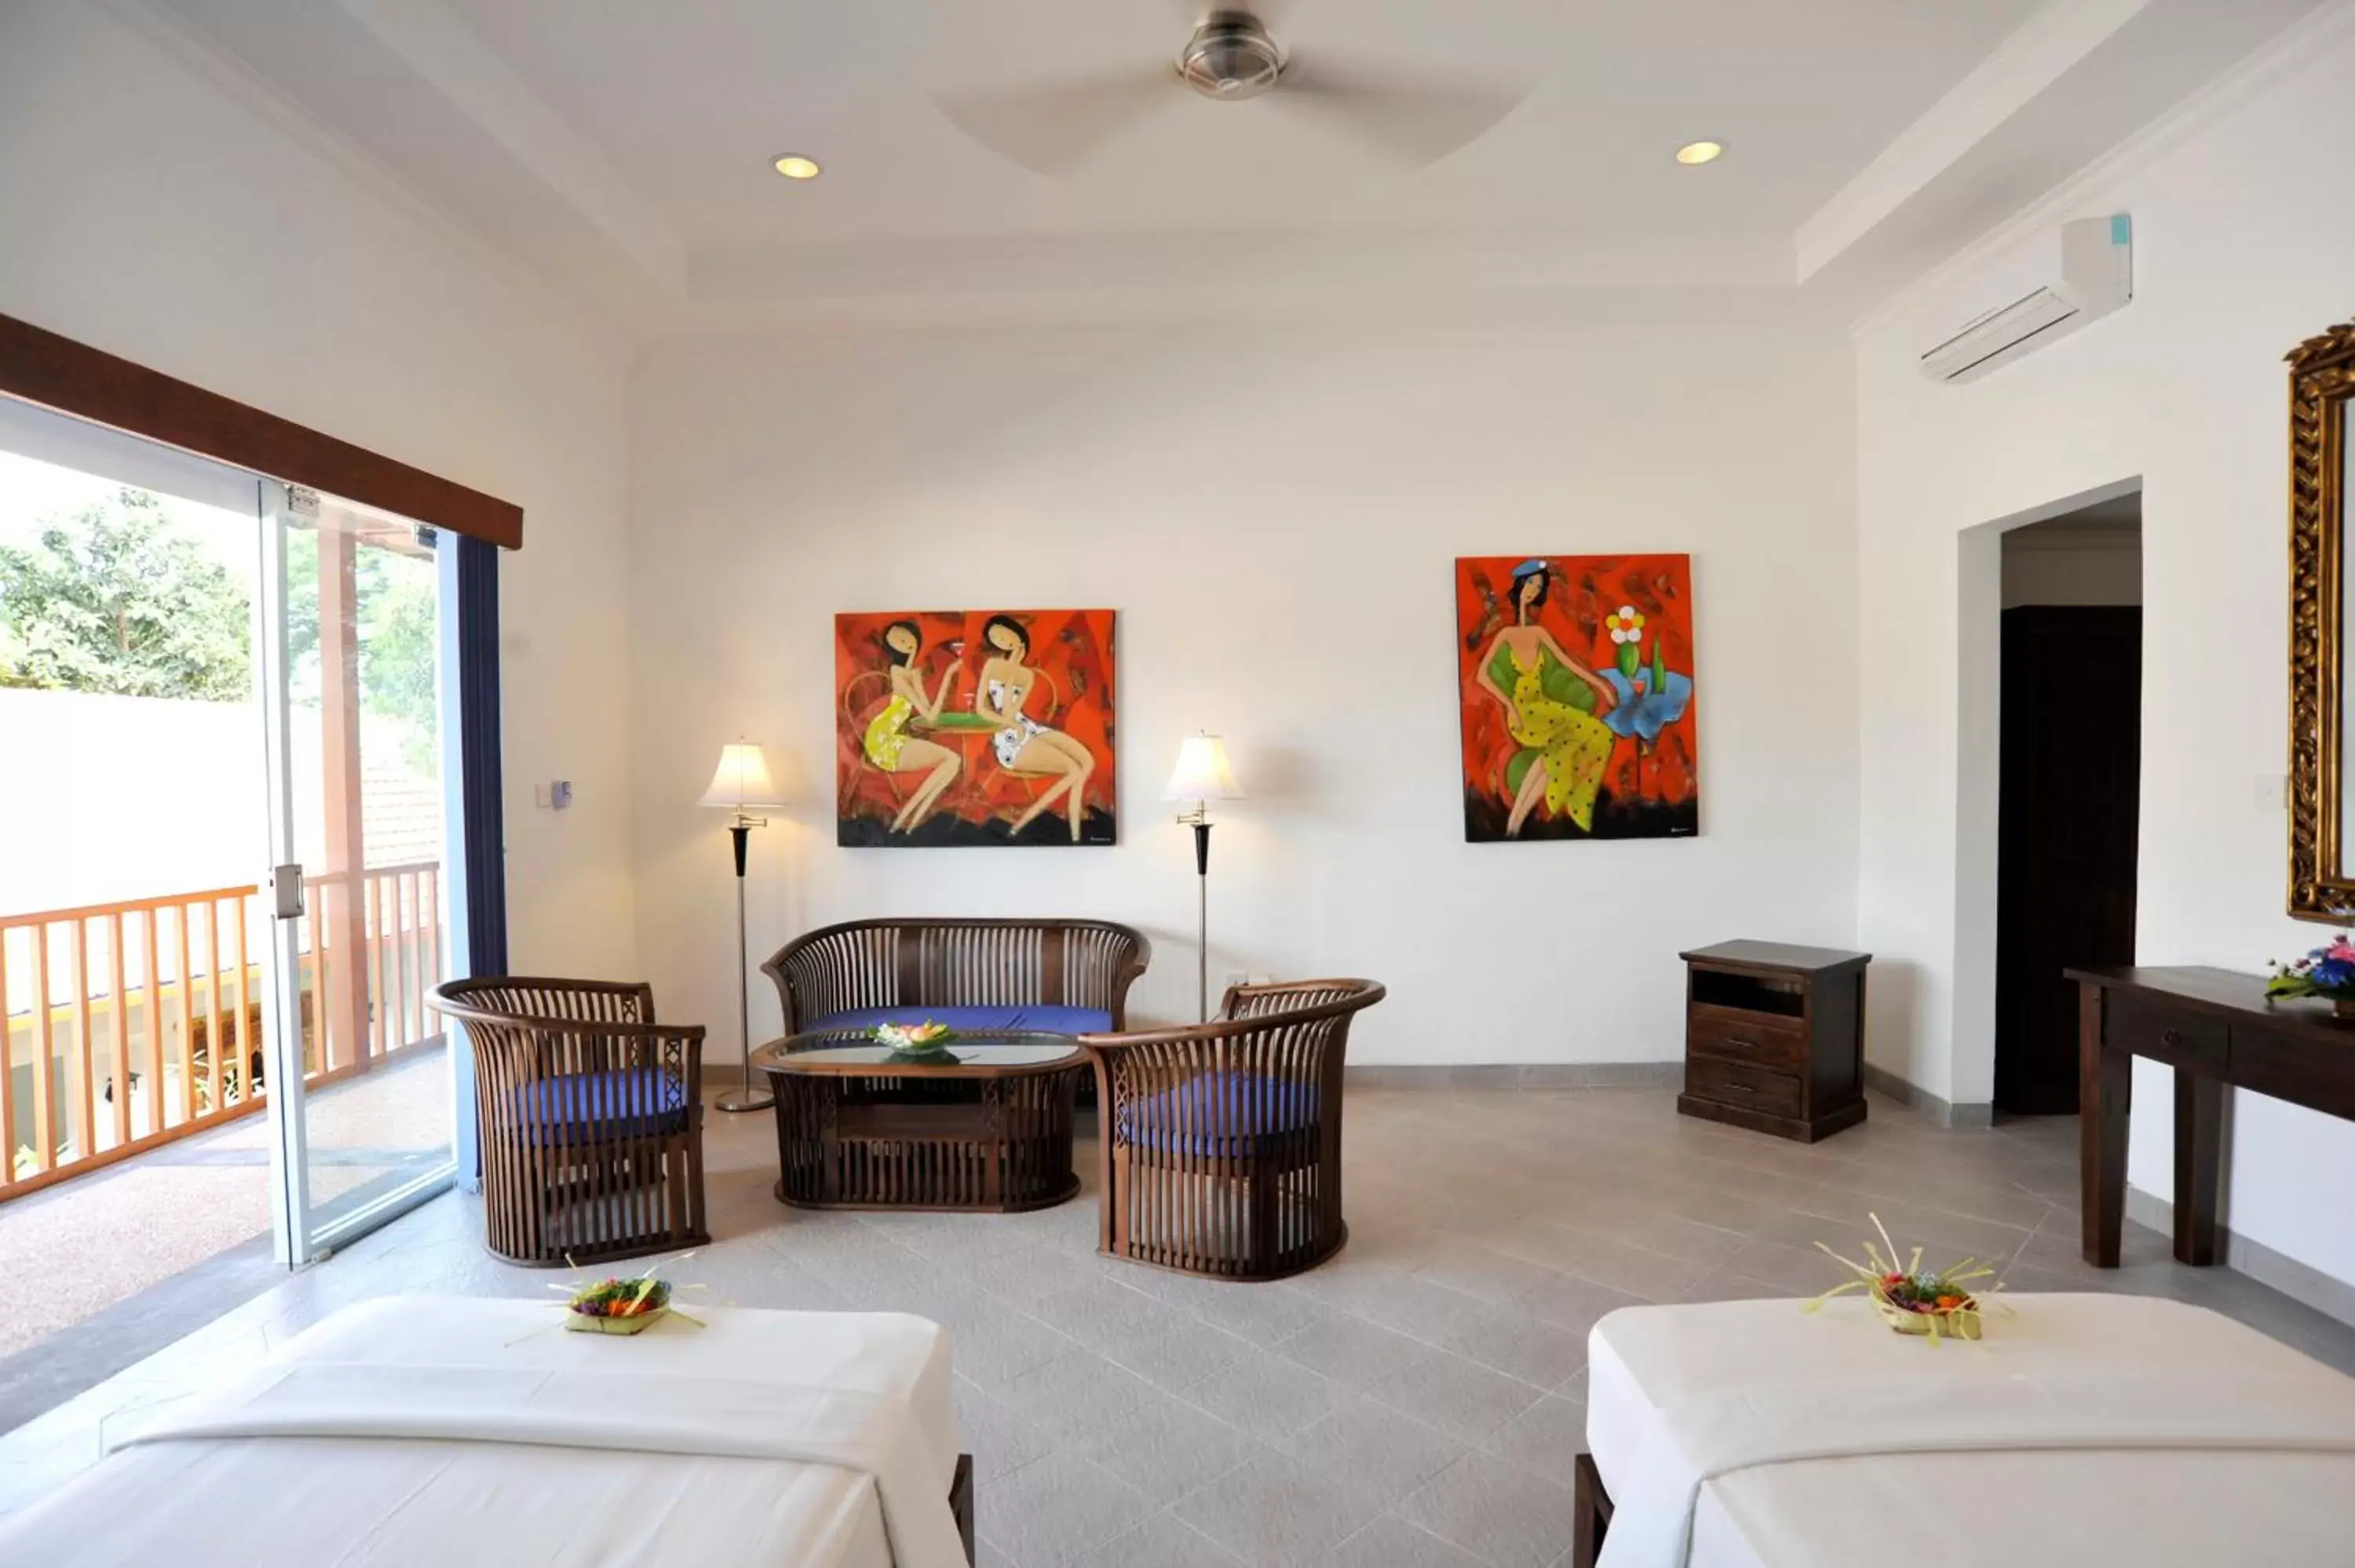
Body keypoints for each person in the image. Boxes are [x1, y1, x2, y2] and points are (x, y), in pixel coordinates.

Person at [1472, 560, 1619, 835]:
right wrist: (1509, 706)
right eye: (1530, 584)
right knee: (1576, 738)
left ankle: (1514, 825)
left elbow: (1569, 664)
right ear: (1520, 585)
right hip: (1523, 713)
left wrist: (1601, 685)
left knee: (1587, 737)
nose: (1533, 590)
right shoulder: (1505, 634)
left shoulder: (1539, 633)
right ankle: (1515, 823)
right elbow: (1482, 676)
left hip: (1545, 708)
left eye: (1538, 586)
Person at [974, 614, 1094, 841]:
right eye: (996, 639)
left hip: (1028, 728)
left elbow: (1014, 710)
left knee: (1087, 762)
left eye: (1004, 634)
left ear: (1016, 634)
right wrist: (1010, 670)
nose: (1002, 640)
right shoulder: (992, 666)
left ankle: (1075, 827)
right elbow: (984, 709)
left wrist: (1015, 668)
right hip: (1009, 738)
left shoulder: (1027, 675)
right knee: (1073, 769)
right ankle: (1023, 824)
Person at [860, 619, 962, 833]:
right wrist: (949, 676)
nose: (905, 643)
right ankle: (908, 820)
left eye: (906, 638)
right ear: (892, 648)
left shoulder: (913, 673)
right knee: (952, 760)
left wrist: (944, 678)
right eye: (897, 641)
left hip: (894, 737)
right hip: (883, 740)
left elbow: (929, 712)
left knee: (952, 762)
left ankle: (908, 822)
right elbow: (930, 715)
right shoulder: (898, 672)